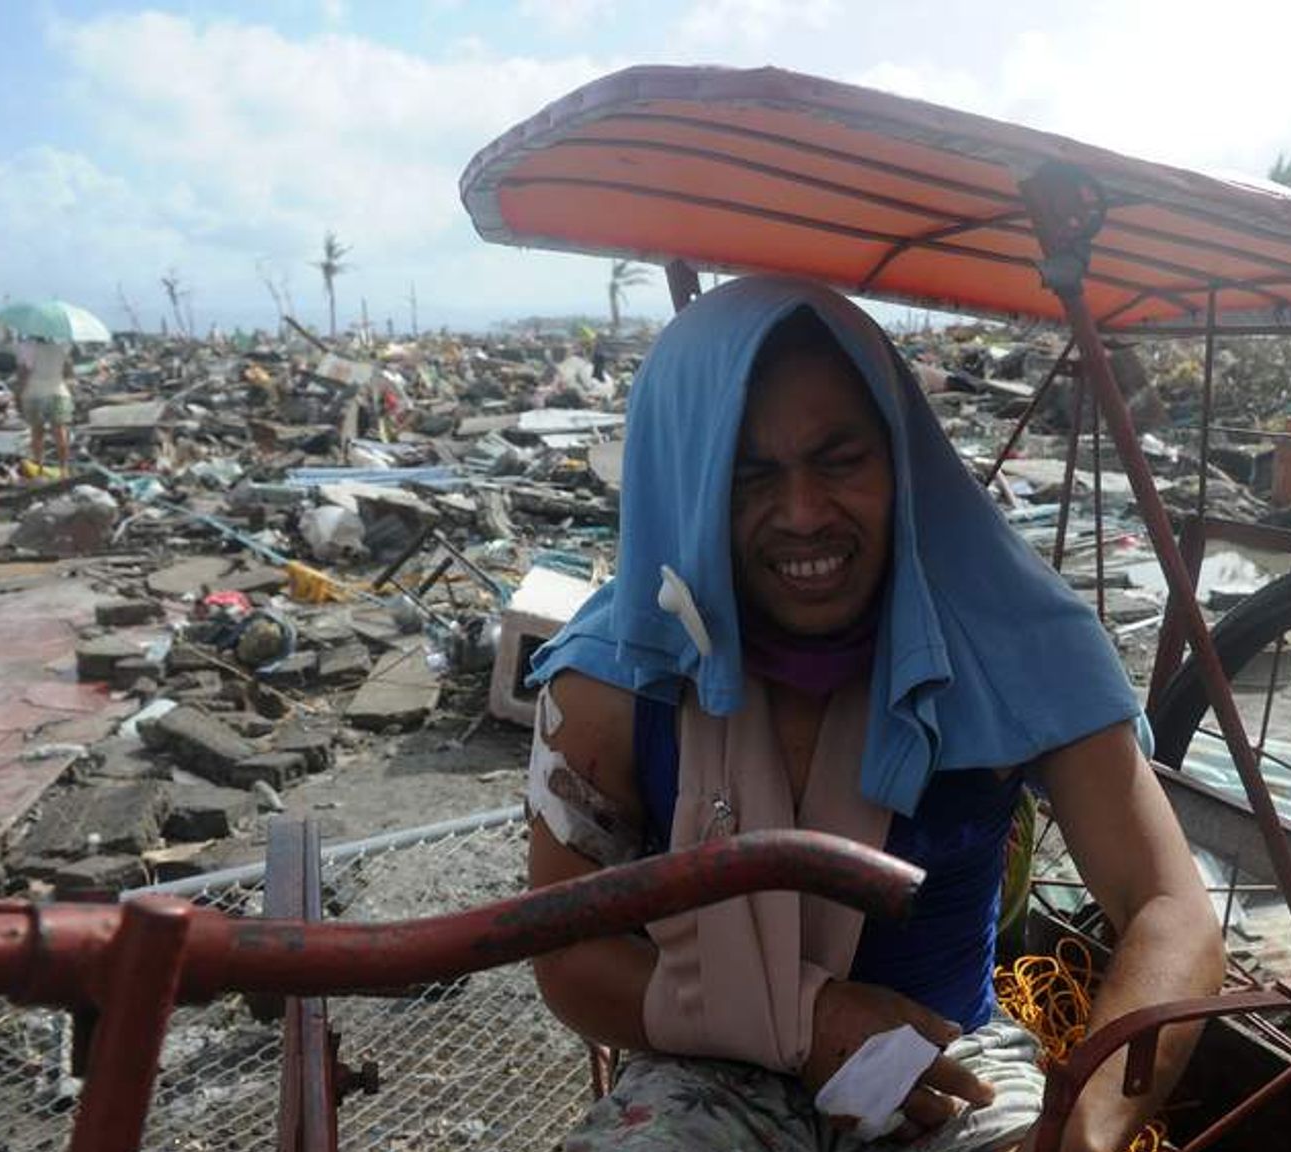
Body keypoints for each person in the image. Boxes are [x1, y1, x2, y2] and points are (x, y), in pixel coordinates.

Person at [522, 277, 1221, 1152]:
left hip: (946, 1053)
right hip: (699, 1063)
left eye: (841, 460)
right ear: (688, 487)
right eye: (750, 476)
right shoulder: (614, 675)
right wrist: (809, 1021)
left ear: (900, 459)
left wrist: (1085, 1129)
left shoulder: (1015, 644)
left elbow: (1170, 908)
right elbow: (565, 954)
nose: (806, 513)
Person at [15, 335, 76, 474]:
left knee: (37, 433)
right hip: (59, 393)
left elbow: (23, 374)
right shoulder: (62, 348)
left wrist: (18, 395)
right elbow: (69, 373)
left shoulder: (26, 348)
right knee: (60, 432)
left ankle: (39, 469)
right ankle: (63, 469)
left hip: (34, 394)